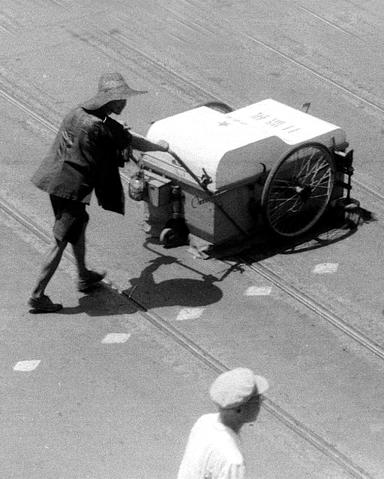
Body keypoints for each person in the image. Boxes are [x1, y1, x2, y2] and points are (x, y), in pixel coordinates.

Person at [28, 72, 170, 313]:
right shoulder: (97, 126)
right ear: (110, 100)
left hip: (56, 181)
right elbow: (128, 144)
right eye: (121, 99)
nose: (124, 103)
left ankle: (83, 275)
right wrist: (161, 148)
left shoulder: (79, 112)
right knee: (60, 241)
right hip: (71, 189)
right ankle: (37, 295)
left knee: (78, 227)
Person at [177, 368, 269, 479]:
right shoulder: (233, 461)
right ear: (240, 409)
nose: (261, 403)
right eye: (258, 399)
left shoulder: (204, 421)